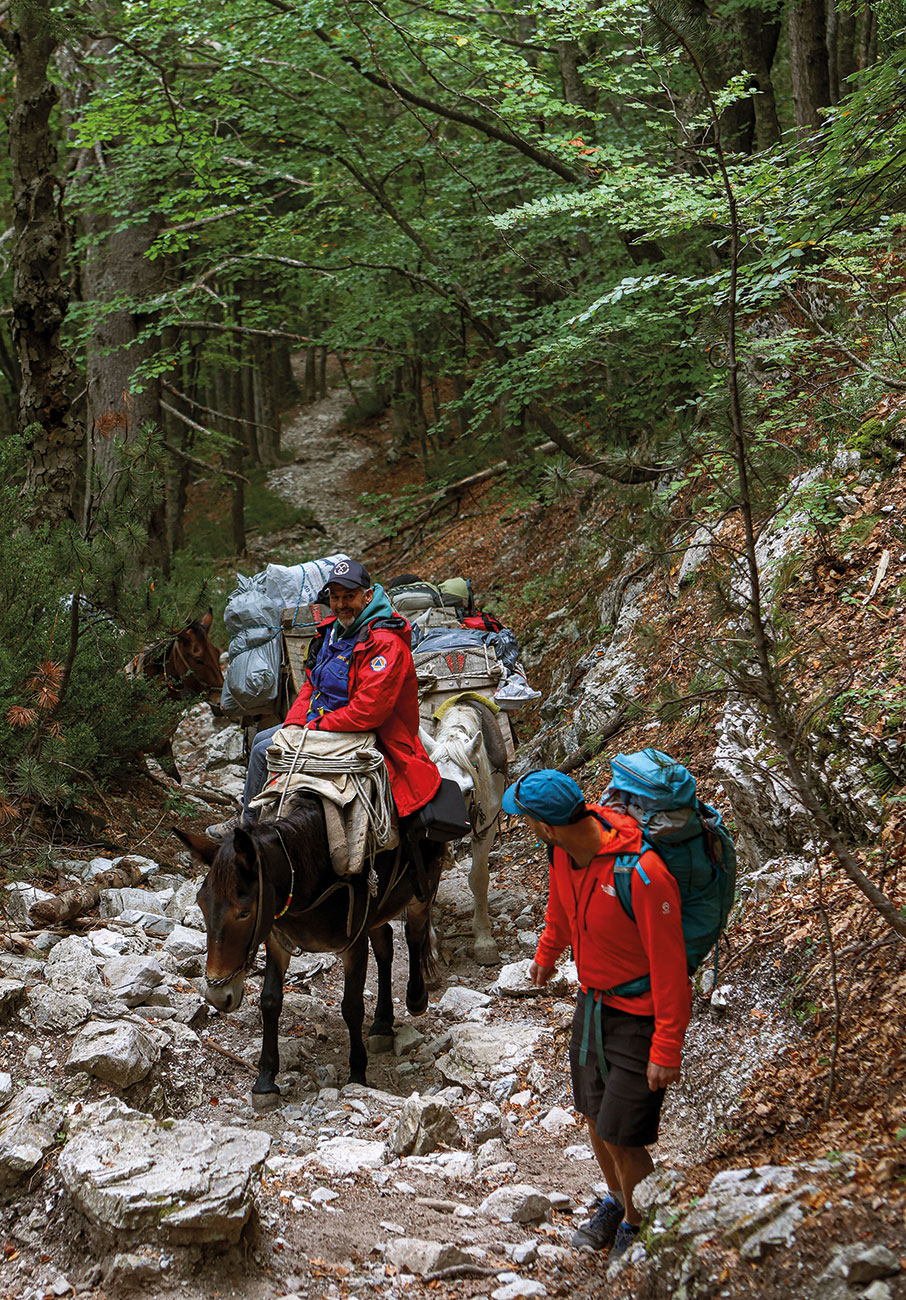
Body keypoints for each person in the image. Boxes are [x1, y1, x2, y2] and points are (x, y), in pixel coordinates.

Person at [500, 769, 690, 1260]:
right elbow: (560, 910)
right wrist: (547, 951)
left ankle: (638, 1221)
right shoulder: (563, 853)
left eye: (526, 821)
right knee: (592, 1115)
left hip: (639, 1016)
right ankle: (619, 1199)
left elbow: (672, 970)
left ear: (545, 825)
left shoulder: (643, 875)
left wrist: (667, 1046)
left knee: (621, 1133)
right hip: (592, 1004)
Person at [206, 559, 440, 838]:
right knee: (260, 739)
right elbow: (310, 685)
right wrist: (294, 722)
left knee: (261, 751)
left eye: (349, 596)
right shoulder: (332, 633)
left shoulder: (385, 643)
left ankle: (247, 827)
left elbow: (369, 711)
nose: (341, 604)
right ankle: (254, 816)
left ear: (367, 596)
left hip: (372, 731)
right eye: (335, 596)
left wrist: (313, 726)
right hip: (327, 722)